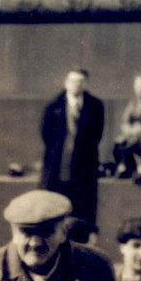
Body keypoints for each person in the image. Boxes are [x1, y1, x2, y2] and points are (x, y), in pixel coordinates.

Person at [40, 67, 105, 239]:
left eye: (80, 82)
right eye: (73, 81)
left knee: (83, 207)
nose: (76, 85)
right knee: (56, 206)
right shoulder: (54, 106)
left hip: (84, 165)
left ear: (85, 84)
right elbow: (46, 134)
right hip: (59, 163)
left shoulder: (95, 106)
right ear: (66, 83)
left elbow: (97, 134)